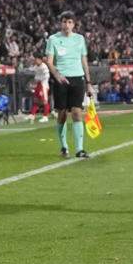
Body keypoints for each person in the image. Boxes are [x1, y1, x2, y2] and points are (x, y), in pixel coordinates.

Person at [42, 12, 92, 158]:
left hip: (78, 78)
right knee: (62, 114)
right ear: (60, 23)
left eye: (70, 22)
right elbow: (49, 61)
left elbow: (84, 61)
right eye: (64, 22)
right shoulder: (53, 39)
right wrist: (57, 74)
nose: (67, 25)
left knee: (77, 112)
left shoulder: (80, 39)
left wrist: (88, 82)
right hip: (61, 80)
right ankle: (64, 146)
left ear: (74, 24)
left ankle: (79, 149)